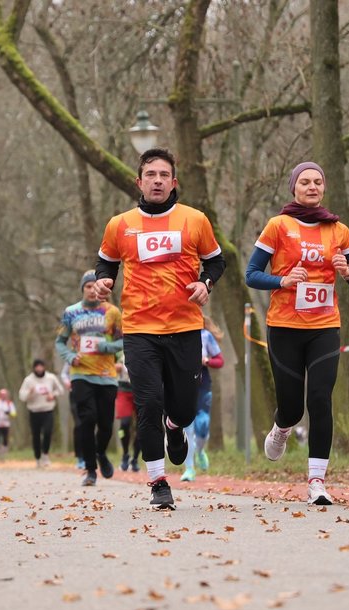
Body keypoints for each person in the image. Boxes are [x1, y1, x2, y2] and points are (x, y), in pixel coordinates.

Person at [93, 148, 225, 510]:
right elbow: (105, 263)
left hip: (184, 327)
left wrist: (206, 284)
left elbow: (216, 261)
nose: (157, 180)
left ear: (173, 182)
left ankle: (174, 425)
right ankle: (158, 482)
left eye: (164, 175)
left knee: (183, 409)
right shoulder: (119, 224)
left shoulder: (195, 219)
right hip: (139, 329)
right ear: (139, 181)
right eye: (150, 174)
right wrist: (105, 282)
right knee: (147, 402)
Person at [245, 161, 349, 505]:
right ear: (294, 188)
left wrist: (348, 274)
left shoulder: (339, 231)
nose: (312, 186)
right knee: (292, 406)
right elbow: (252, 274)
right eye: (305, 182)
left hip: (324, 326)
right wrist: (282, 280)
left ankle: (317, 481)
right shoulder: (278, 226)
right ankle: (282, 428)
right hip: (284, 326)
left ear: (324, 188)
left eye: (317, 181)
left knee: (320, 398)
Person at [56, 270, 124, 487]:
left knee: (105, 423)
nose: (92, 290)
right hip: (81, 374)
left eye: (96, 286)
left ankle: (100, 453)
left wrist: (107, 347)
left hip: (106, 375)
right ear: (82, 289)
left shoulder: (113, 312)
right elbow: (60, 341)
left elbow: (125, 342)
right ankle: (91, 470)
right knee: (87, 419)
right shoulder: (71, 312)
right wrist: (69, 356)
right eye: (88, 286)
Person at [181, 316, 224, 482]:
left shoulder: (205, 335)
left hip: (203, 383)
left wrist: (206, 360)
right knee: (188, 429)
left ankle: (200, 451)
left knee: (202, 426)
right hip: (182, 384)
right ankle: (189, 468)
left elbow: (220, 361)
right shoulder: (175, 334)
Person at [18, 359, 64, 468]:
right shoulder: (28, 380)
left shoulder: (51, 378)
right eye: (37, 367)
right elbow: (22, 396)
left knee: (48, 432)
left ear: (44, 367)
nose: (39, 369)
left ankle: (45, 455)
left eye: (41, 366)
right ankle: (37, 457)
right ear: (34, 368)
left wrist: (53, 395)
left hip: (48, 410)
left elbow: (61, 390)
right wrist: (30, 392)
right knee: (36, 435)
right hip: (34, 411)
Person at [115, 356, 141, 472]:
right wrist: (116, 366)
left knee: (141, 427)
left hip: (140, 389)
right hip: (123, 390)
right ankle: (125, 454)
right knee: (124, 425)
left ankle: (135, 458)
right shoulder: (117, 345)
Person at [60, 363, 85, 470]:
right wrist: (67, 382)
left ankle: (92, 455)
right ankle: (80, 457)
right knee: (79, 424)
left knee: (89, 423)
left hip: (89, 392)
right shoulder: (71, 357)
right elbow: (64, 373)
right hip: (74, 393)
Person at [0, 389, 17, 460]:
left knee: (5, 439)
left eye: (4, 395)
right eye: (2, 395)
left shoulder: (9, 403)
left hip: (6, 423)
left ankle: (3, 453)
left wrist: (9, 413)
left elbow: (14, 413)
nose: (3, 396)